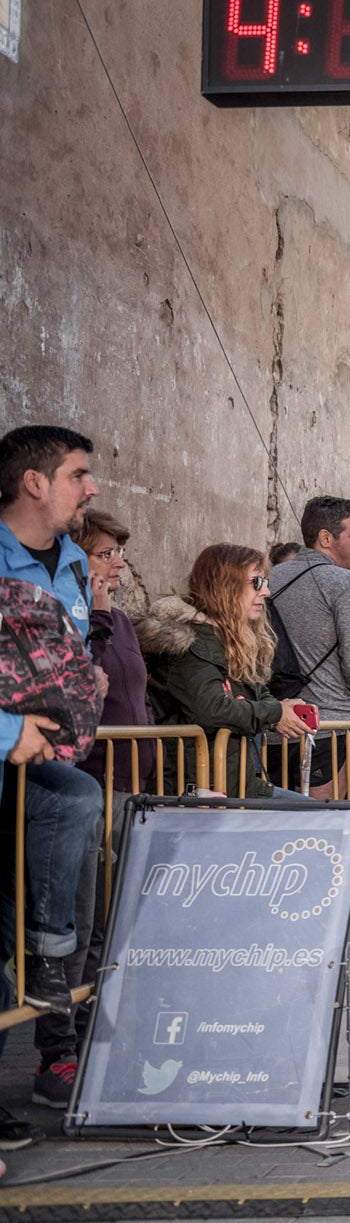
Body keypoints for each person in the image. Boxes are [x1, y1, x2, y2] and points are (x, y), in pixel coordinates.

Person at [0, 425, 104, 1154]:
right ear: (33, 482)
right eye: (76, 475)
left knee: (76, 798)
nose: (89, 487)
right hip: (11, 756)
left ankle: (49, 955)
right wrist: (10, 735)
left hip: (41, 777)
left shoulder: (71, 564)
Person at [31, 508, 154, 1111]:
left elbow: (137, 699)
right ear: (77, 558)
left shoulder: (121, 622)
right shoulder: (77, 620)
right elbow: (86, 686)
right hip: (85, 785)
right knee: (72, 927)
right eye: (105, 553)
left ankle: (94, 1042)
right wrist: (97, 615)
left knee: (109, 924)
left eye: (117, 554)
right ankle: (58, 1052)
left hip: (128, 787)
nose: (117, 564)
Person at [138, 544, 315, 797]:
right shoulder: (192, 641)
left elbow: (256, 690)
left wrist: (283, 710)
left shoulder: (229, 638)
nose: (266, 591)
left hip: (235, 783)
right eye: (257, 582)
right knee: (313, 819)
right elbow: (212, 708)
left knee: (320, 818)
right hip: (197, 789)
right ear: (225, 585)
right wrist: (276, 713)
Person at [266, 496, 350, 795]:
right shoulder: (344, 582)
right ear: (325, 538)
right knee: (323, 832)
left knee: (282, 831)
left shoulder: (272, 577)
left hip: (277, 727)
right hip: (328, 727)